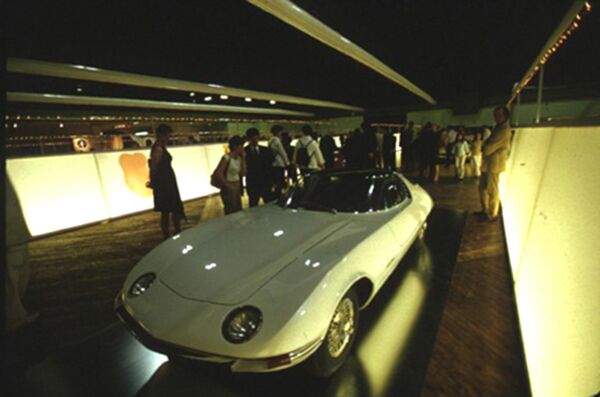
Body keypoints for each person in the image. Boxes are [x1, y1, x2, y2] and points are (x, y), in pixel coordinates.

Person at [149, 124, 186, 239]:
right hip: (164, 182)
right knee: (168, 209)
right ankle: (172, 231)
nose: (169, 138)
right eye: (167, 135)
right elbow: (154, 168)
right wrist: (154, 182)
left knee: (167, 209)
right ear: (161, 135)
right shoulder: (159, 149)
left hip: (166, 180)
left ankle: (171, 232)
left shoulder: (159, 148)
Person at [478, 106, 512, 222]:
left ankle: (492, 214)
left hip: (494, 164)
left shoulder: (503, 129)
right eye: (495, 115)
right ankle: (485, 210)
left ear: (505, 116)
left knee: (492, 189)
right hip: (490, 163)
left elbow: (488, 147)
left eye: (499, 115)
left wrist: (484, 145)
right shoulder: (498, 127)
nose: (496, 117)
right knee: (482, 187)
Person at [214, 135, 246, 215]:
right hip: (228, 186)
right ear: (235, 146)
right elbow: (218, 173)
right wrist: (228, 185)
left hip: (237, 185)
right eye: (241, 146)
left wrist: (243, 158)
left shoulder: (239, 158)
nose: (242, 148)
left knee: (238, 209)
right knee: (231, 210)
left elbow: (243, 173)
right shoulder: (226, 158)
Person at [244, 128, 272, 207]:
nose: (254, 140)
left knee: (269, 206)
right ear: (248, 139)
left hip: (265, 183)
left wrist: (271, 181)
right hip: (252, 184)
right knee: (253, 206)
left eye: (256, 138)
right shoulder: (244, 152)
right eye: (252, 138)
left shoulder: (266, 151)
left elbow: (270, 167)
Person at [269, 125, 290, 199]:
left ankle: (276, 195)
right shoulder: (277, 141)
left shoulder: (270, 141)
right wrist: (287, 163)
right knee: (280, 182)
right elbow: (282, 153)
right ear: (278, 132)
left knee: (276, 182)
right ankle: (278, 196)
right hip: (279, 164)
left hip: (273, 164)